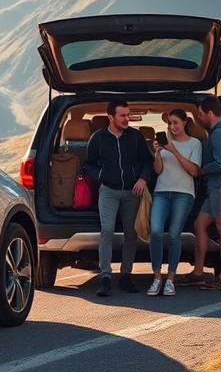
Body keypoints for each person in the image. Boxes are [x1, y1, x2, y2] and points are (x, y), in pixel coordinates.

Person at [175, 96, 221, 290]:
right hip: (220, 188)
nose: (198, 118)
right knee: (201, 225)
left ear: (209, 113)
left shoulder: (218, 134)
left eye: (199, 114)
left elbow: (220, 163)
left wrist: (202, 171)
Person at [82, 100, 154, 296]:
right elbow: (88, 165)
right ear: (111, 117)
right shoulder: (98, 138)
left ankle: (125, 275)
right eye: (122, 115)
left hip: (133, 192)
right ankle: (105, 276)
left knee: (131, 233)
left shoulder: (135, 137)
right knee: (107, 230)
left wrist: (142, 179)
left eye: (128, 115)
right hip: (108, 192)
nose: (127, 119)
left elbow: (148, 161)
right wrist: (102, 176)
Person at [147, 109, 202, 296]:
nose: (172, 126)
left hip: (184, 194)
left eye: (176, 122)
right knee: (155, 231)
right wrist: (158, 153)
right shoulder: (166, 144)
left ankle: (170, 280)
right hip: (162, 192)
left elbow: (194, 171)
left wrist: (173, 150)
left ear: (185, 122)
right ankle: (156, 278)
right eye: (170, 123)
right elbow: (158, 170)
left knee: (173, 235)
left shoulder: (195, 144)